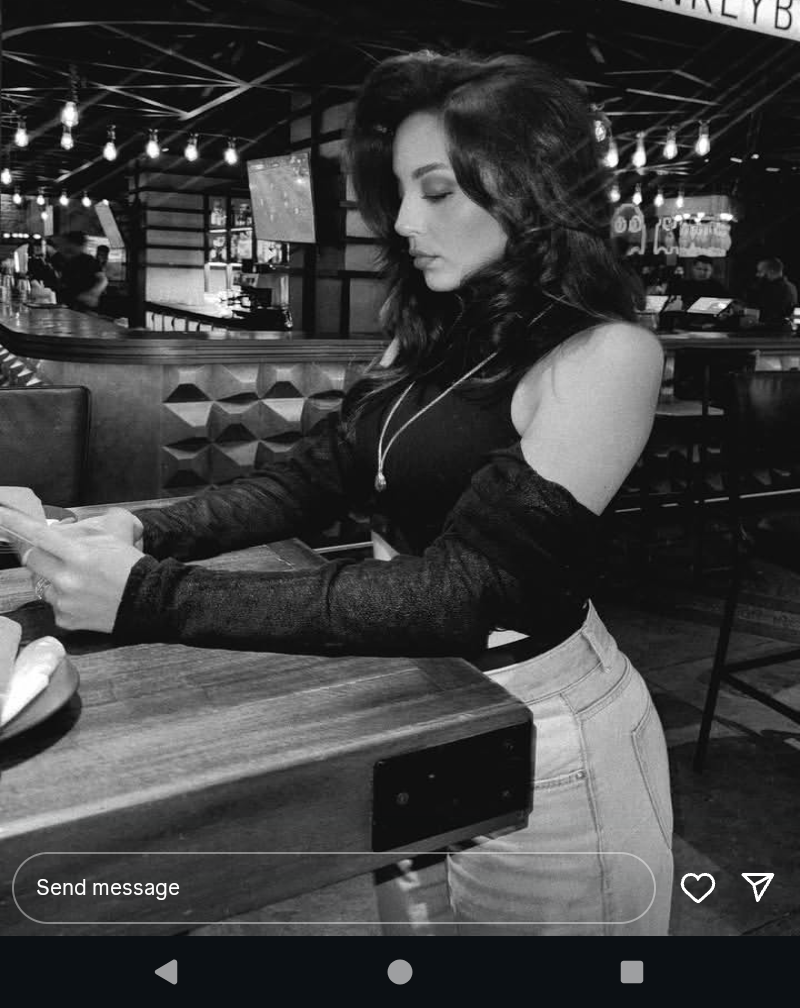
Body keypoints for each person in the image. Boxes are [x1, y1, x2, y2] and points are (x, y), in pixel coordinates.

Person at [0, 52, 672, 935]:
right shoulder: (432, 333)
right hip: (415, 701)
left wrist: (146, 595)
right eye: (399, 191)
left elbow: (465, 590)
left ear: (531, 189)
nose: (405, 221)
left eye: (436, 191)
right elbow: (305, 482)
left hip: (545, 730)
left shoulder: (607, 354)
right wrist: (135, 528)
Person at [55, 231, 108, 312]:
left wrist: (92, 294)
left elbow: (103, 280)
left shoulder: (88, 260)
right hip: (69, 306)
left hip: (85, 307)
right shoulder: (66, 260)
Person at [747, 257, 798, 330]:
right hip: (780, 331)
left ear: (771, 271)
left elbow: (771, 315)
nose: (757, 275)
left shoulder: (778, 289)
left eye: (760, 271)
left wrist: (744, 310)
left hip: (774, 332)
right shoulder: (790, 286)